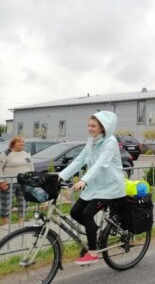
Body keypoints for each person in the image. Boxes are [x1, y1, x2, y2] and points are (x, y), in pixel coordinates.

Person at [58, 111, 126, 265]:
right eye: (88, 125)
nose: (89, 128)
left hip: (110, 187)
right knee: (75, 212)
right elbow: (80, 160)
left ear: (103, 128)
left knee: (87, 214)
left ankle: (93, 252)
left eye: (93, 126)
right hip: (95, 186)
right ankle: (93, 232)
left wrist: (84, 180)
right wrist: (60, 176)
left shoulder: (110, 142)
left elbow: (101, 164)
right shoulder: (91, 141)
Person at [0, 136, 34, 226]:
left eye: (23, 142)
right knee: (5, 203)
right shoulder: (6, 153)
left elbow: (31, 166)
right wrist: (1, 181)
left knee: (23, 202)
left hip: (24, 183)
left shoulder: (27, 152)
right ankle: (6, 224)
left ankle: (21, 223)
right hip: (9, 183)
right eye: (20, 142)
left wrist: (32, 179)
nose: (22, 144)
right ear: (13, 143)